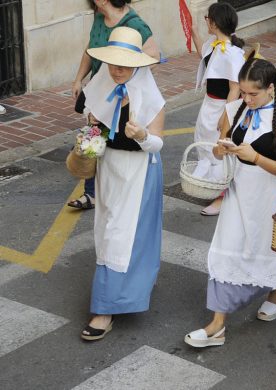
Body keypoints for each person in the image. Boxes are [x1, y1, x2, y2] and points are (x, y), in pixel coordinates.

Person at [184, 58, 276, 348]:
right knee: (227, 251)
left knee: (268, 248)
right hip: (236, 193)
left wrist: (255, 157)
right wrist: (222, 150)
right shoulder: (233, 109)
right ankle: (217, 325)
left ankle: (275, 293)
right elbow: (221, 149)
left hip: (268, 195)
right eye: (243, 93)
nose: (246, 99)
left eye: (253, 94)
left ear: (270, 88)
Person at [79, 26, 164, 341]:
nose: (117, 70)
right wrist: (87, 148)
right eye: (113, 62)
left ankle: (104, 309)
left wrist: (142, 135)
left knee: (123, 236)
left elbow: (158, 143)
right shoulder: (101, 84)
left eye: (125, 64)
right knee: (106, 232)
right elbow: (93, 130)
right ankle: (131, 286)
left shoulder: (150, 94)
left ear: (137, 64)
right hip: (109, 171)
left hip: (139, 173)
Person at [68, 0, 160, 210]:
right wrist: (78, 79)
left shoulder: (136, 24)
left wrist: (129, 82)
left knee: (117, 139)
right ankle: (92, 191)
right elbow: (90, 49)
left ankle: (102, 194)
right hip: (100, 91)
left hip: (121, 92)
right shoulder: (99, 19)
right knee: (95, 139)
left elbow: (154, 57)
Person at [191, 2, 245, 216]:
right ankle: (212, 187)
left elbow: (235, 87)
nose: (206, 21)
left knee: (220, 149)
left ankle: (223, 196)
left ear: (214, 23)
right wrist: (194, 31)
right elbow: (204, 59)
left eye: (206, 18)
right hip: (209, 103)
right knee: (204, 143)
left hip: (222, 105)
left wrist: (226, 116)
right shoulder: (213, 44)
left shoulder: (233, 53)